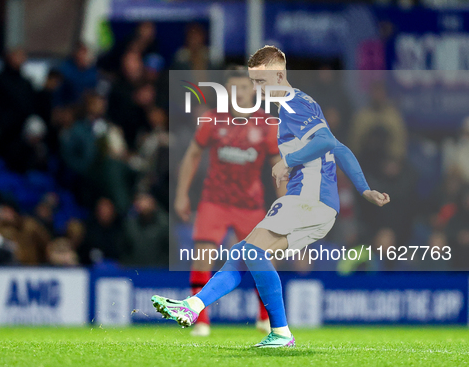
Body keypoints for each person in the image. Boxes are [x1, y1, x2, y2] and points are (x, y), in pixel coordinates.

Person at [151, 45, 390, 348]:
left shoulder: (293, 104)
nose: (257, 89)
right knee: (243, 253)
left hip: (309, 198)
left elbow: (327, 141)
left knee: (249, 251)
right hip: (317, 204)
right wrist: (364, 187)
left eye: (261, 82)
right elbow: (338, 147)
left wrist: (287, 161)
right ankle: (196, 308)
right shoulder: (301, 104)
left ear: (279, 74)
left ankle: (279, 331)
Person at [174, 67, 284, 336]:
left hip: (250, 203)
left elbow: (278, 165)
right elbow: (191, 156)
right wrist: (181, 194)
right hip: (215, 200)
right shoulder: (212, 120)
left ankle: (264, 317)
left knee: (265, 258)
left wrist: (284, 203)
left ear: (254, 91)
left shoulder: (267, 124)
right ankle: (200, 320)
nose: (239, 93)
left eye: (244, 88)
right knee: (202, 255)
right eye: (233, 89)